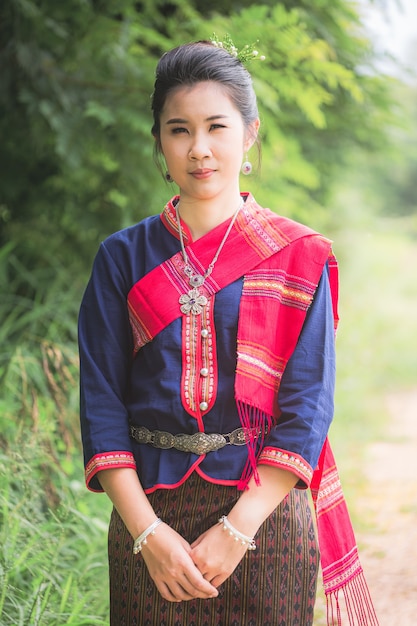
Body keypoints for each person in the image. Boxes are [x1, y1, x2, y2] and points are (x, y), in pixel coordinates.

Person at [78, 39, 378, 626]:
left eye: (217, 126)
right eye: (179, 130)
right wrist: (149, 536)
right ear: (160, 144)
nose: (200, 149)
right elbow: (101, 407)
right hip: (148, 520)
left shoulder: (297, 256)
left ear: (250, 134)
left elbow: (307, 406)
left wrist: (237, 530)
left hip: (265, 518)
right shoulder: (121, 258)